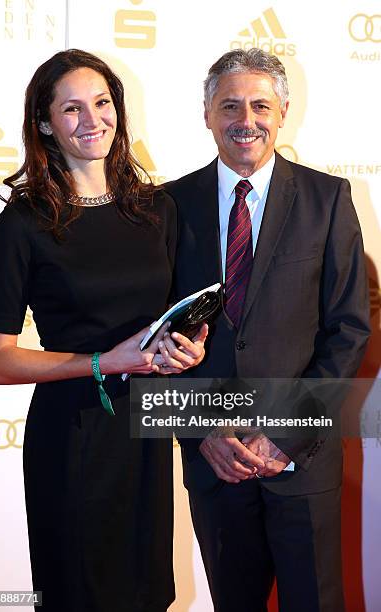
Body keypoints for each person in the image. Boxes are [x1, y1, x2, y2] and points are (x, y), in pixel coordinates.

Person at [0, 49, 207, 612]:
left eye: (102, 103)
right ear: (45, 124)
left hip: (144, 436)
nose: (92, 119)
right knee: (79, 593)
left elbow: (177, 317)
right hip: (71, 437)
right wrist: (105, 361)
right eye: (71, 108)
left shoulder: (157, 210)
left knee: (147, 592)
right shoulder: (23, 224)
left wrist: (187, 348)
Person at [166, 48, 370, 612]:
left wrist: (284, 432)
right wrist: (203, 434)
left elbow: (348, 329)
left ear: (282, 112)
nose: (245, 120)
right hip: (215, 461)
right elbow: (154, 340)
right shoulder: (166, 207)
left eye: (260, 105)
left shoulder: (329, 199)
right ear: (207, 114)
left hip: (301, 457)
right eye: (229, 105)